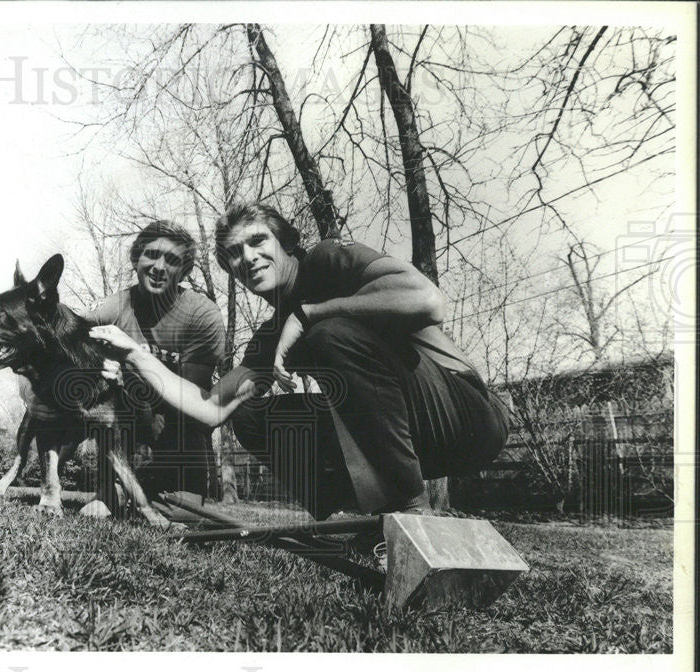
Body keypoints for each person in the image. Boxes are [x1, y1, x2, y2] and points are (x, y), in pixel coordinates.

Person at [90, 203, 509, 519]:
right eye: (235, 254)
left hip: (469, 418)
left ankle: (412, 514)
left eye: (258, 241)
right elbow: (210, 409)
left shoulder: (326, 260)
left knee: (330, 334)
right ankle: (351, 519)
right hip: (406, 442)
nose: (248, 257)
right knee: (250, 414)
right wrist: (135, 354)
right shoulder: (269, 337)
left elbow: (429, 300)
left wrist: (309, 314)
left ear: (285, 243)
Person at [52, 219, 224, 504]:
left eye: (171, 260)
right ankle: (103, 488)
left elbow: (193, 401)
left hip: (178, 422)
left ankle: (147, 487)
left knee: (184, 510)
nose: (159, 267)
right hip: (128, 415)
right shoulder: (116, 305)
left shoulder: (202, 315)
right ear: (135, 259)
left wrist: (135, 378)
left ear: (185, 272)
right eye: (151, 255)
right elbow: (67, 335)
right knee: (94, 392)